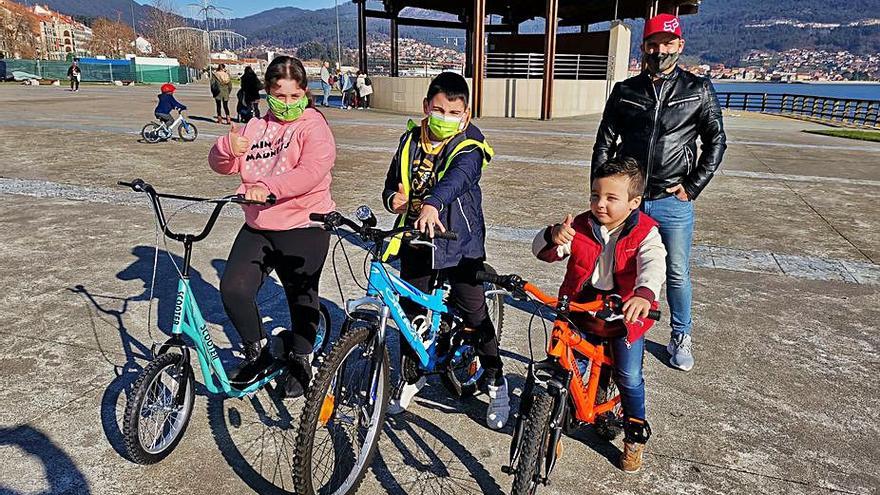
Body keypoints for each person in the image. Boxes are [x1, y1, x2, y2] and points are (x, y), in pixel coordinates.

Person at [591, 13, 726, 372]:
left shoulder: (698, 90)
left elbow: (716, 141)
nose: (660, 50)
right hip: (629, 200)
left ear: (680, 46)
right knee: (615, 265)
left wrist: (693, 185)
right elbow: (604, 143)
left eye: (667, 44)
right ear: (643, 47)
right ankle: (611, 326)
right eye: (653, 44)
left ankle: (681, 333)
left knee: (677, 271)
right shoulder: (625, 91)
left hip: (672, 199)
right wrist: (601, 193)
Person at [380, 72, 509, 429]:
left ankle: (496, 379)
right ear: (426, 107)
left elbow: (461, 177)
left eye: (454, 112)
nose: (445, 117)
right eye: (438, 110)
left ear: (466, 114)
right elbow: (392, 182)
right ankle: (411, 376)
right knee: (410, 312)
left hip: (459, 241)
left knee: (474, 310)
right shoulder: (409, 141)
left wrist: (433, 203)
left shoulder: (470, 144)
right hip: (416, 238)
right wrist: (393, 200)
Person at [208, 55, 336, 399]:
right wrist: (226, 148)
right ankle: (258, 349)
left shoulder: (314, 126)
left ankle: (300, 358)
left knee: (301, 296)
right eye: (280, 96)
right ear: (267, 93)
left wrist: (270, 188)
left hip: (305, 225)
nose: (288, 104)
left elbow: (313, 170)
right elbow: (221, 164)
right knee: (233, 289)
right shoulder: (254, 126)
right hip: (260, 225)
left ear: (306, 93)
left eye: (295, 97)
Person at [533, 156, 666, 473]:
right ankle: (553, 426)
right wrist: (553, 235)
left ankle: (634, 435)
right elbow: (542, 251)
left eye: (611, 198)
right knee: (566, 368)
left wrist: (644, 294)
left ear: (634, 203)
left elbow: (654, 263)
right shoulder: (579, 226)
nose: (600, 204)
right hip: (582, 308)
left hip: (625, 315)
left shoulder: (645, 232)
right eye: (595, 195)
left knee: (629, 376)